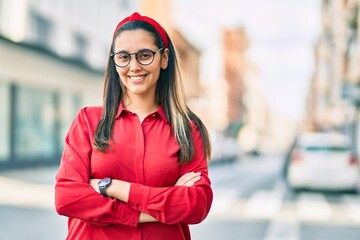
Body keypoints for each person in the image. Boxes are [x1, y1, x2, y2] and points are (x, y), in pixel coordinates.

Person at [55, 12, 213, 240]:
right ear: (114, 61)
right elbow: (67, 198)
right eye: (123, 57)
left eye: (145, 55)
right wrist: (159, 206)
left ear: (164, 58)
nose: (134, 66)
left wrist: (111, 187)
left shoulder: (187, 129)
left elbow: (197, 205)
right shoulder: (88, 121)